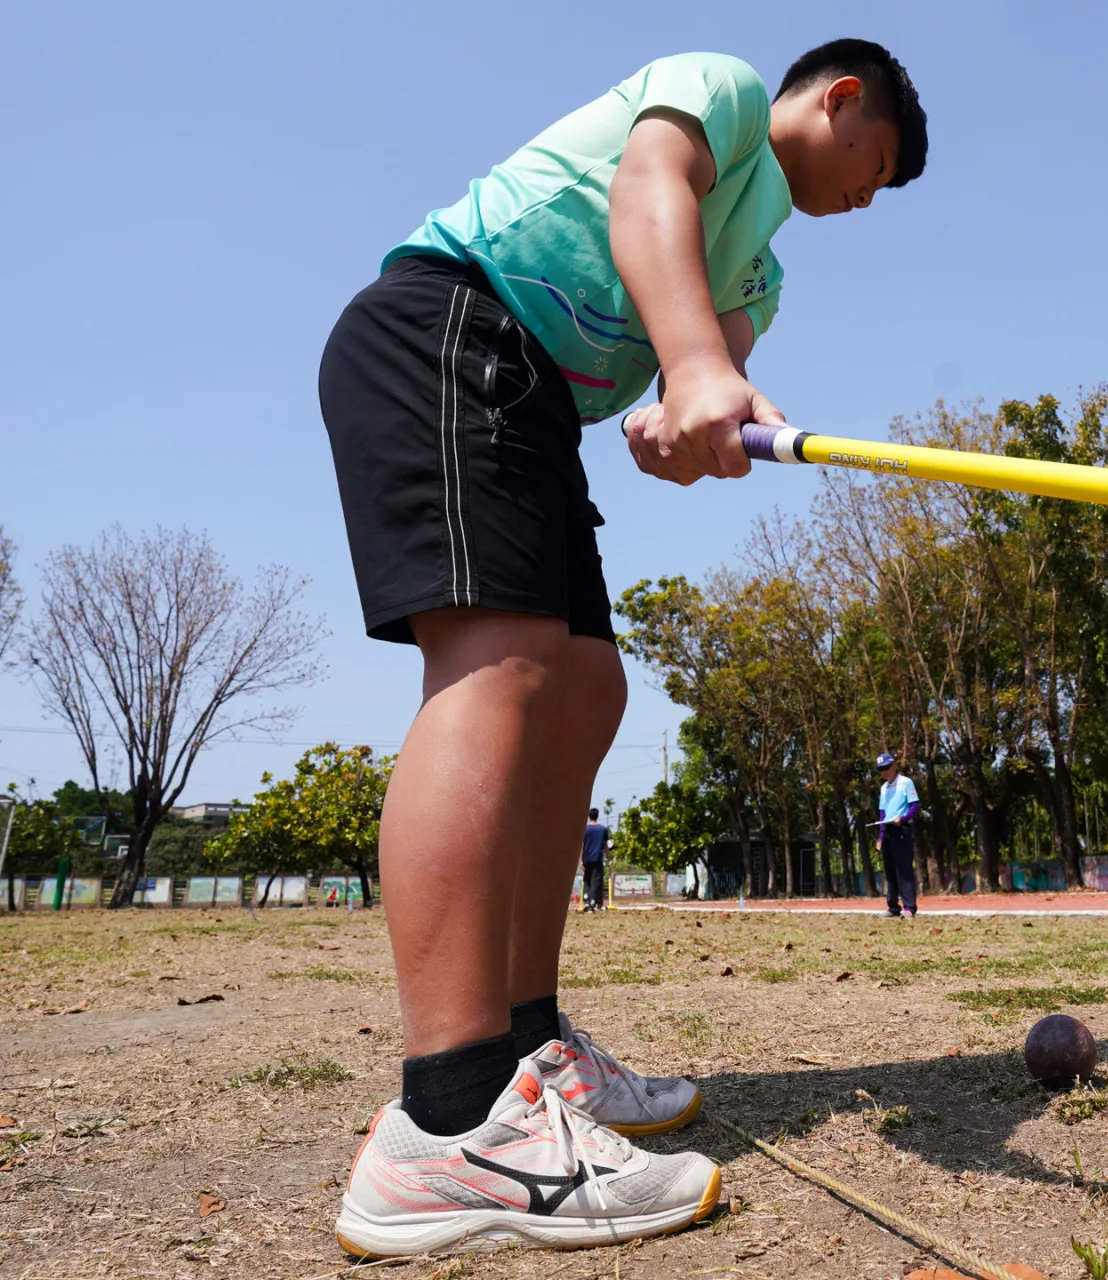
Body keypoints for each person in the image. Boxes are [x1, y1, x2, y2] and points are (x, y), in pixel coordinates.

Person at [317, 40, 928, 1259]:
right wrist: (691, 364)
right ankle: (450, 1121)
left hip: (534, 403)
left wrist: (677, 418)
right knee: (500, 668)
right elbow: (648, 187)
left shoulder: (758, 271)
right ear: (842, 100)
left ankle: (528, 1039)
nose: (869, 198)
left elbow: (696, 384)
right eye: (878, 167)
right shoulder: (725, 93)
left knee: (587, 686)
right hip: (450, 329)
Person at [875, 752, 920, 917]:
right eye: (881, 769)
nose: (884, 772)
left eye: (886, 767)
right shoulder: (883, 788)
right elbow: (882, 813)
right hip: (888, 829)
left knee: (904, 869)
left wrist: (903, 819)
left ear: (894, 766)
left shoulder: (906, 782)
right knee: (890, 870)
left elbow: (915, 806)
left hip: (901, 829)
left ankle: (909, 907)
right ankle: (893, 906)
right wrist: (880, 837)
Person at [581, 808, 609, 911]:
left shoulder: (585, 829)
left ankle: (586, 899)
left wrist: (581, 860)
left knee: (587, 879)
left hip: (586, 858)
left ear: (589, 816)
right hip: (597, 858)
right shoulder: (602, 829)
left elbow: (582, 846)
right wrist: (609, 858)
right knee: (595, 881)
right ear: (597, 816)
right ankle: (592, 902)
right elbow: (605, 845)